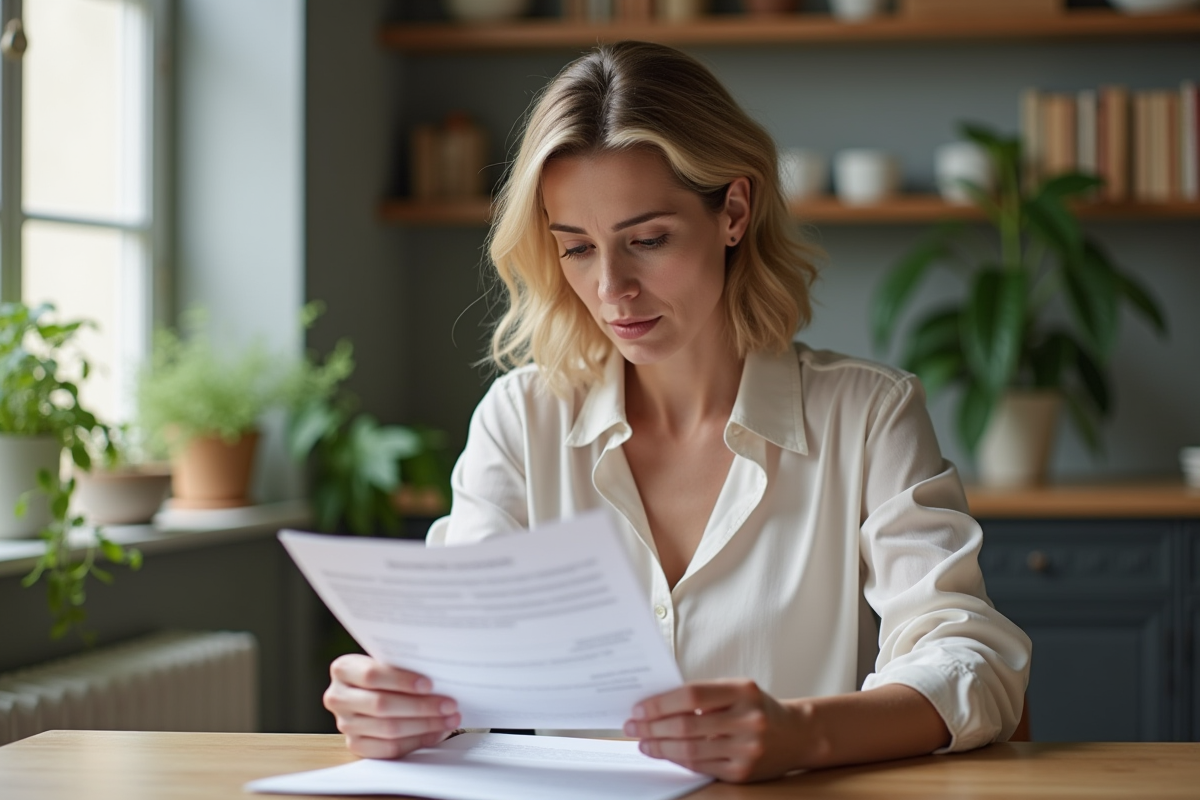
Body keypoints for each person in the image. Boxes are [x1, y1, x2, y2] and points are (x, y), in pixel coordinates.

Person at [323, 40, 1031, 783]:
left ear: (733, 210)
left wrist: (803, 734)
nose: (611, 290)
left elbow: (969, 658)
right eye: (577, 249)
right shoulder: (521, 421)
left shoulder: (867, 416)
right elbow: (453, 663)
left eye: (647, 241)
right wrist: (397, 702)